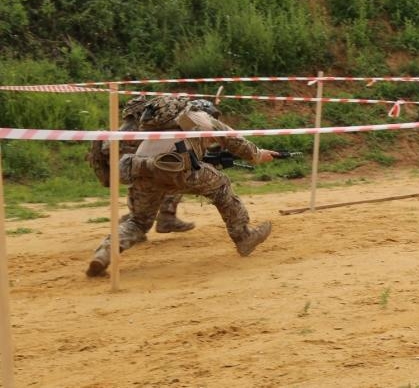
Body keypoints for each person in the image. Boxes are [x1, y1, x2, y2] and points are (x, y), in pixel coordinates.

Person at [86, 95, 277, 277]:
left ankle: (104, 253)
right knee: (222, 186)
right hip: (177, 169)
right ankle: (243, 237)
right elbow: (233, 140)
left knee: (138, 222)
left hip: (142, 168)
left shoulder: (160, 123)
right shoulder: (199, 117)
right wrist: (258, 155)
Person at [86, 95, 197, 234]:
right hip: (140, 172)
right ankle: (164, 218)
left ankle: (136, 219)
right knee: (175, 180)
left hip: (124, 172)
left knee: (140, 189)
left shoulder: (118, 132)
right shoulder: (142, 131)